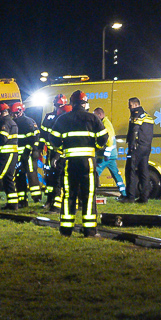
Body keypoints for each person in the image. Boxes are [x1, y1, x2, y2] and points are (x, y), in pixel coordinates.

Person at [53, 89, 106, 234]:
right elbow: (103, 139)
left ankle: (66, 229)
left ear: (72, 103)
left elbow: (54, 140)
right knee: (88, 195)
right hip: (87, 163)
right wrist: (95, 147)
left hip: (70, 162)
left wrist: (61, 148)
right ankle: (89, 230)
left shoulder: (62, 119)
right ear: (85, 103)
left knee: (69, 194)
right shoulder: (93, 118)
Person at [0, 100, 32, 211]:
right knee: (8, 179)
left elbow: (2, 139)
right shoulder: (10, 122)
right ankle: (12, 204)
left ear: (0, 113)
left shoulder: (4, 122)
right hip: (10, 154)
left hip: (6, 154)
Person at [123, 96, 155, 204]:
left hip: (136, 147)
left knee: (130, 170)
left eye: (130, 105)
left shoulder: (136, 115)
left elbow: (134, 131)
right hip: (146, 147)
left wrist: (131, 146)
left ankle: (130, 197)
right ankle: (144, 198)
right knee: (143, 172)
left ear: (136, 105)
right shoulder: (148, 116)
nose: (129, 108)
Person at [92, 107, 126, 201]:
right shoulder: (105, 123)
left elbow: (109, 140)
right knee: (116, 174)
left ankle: (90, 193)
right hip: (110, 156)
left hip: (105, 156)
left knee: (95, 173)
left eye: (95, 115)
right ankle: (124, 193)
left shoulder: (105, 124)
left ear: (100, 114)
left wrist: (106, 153)